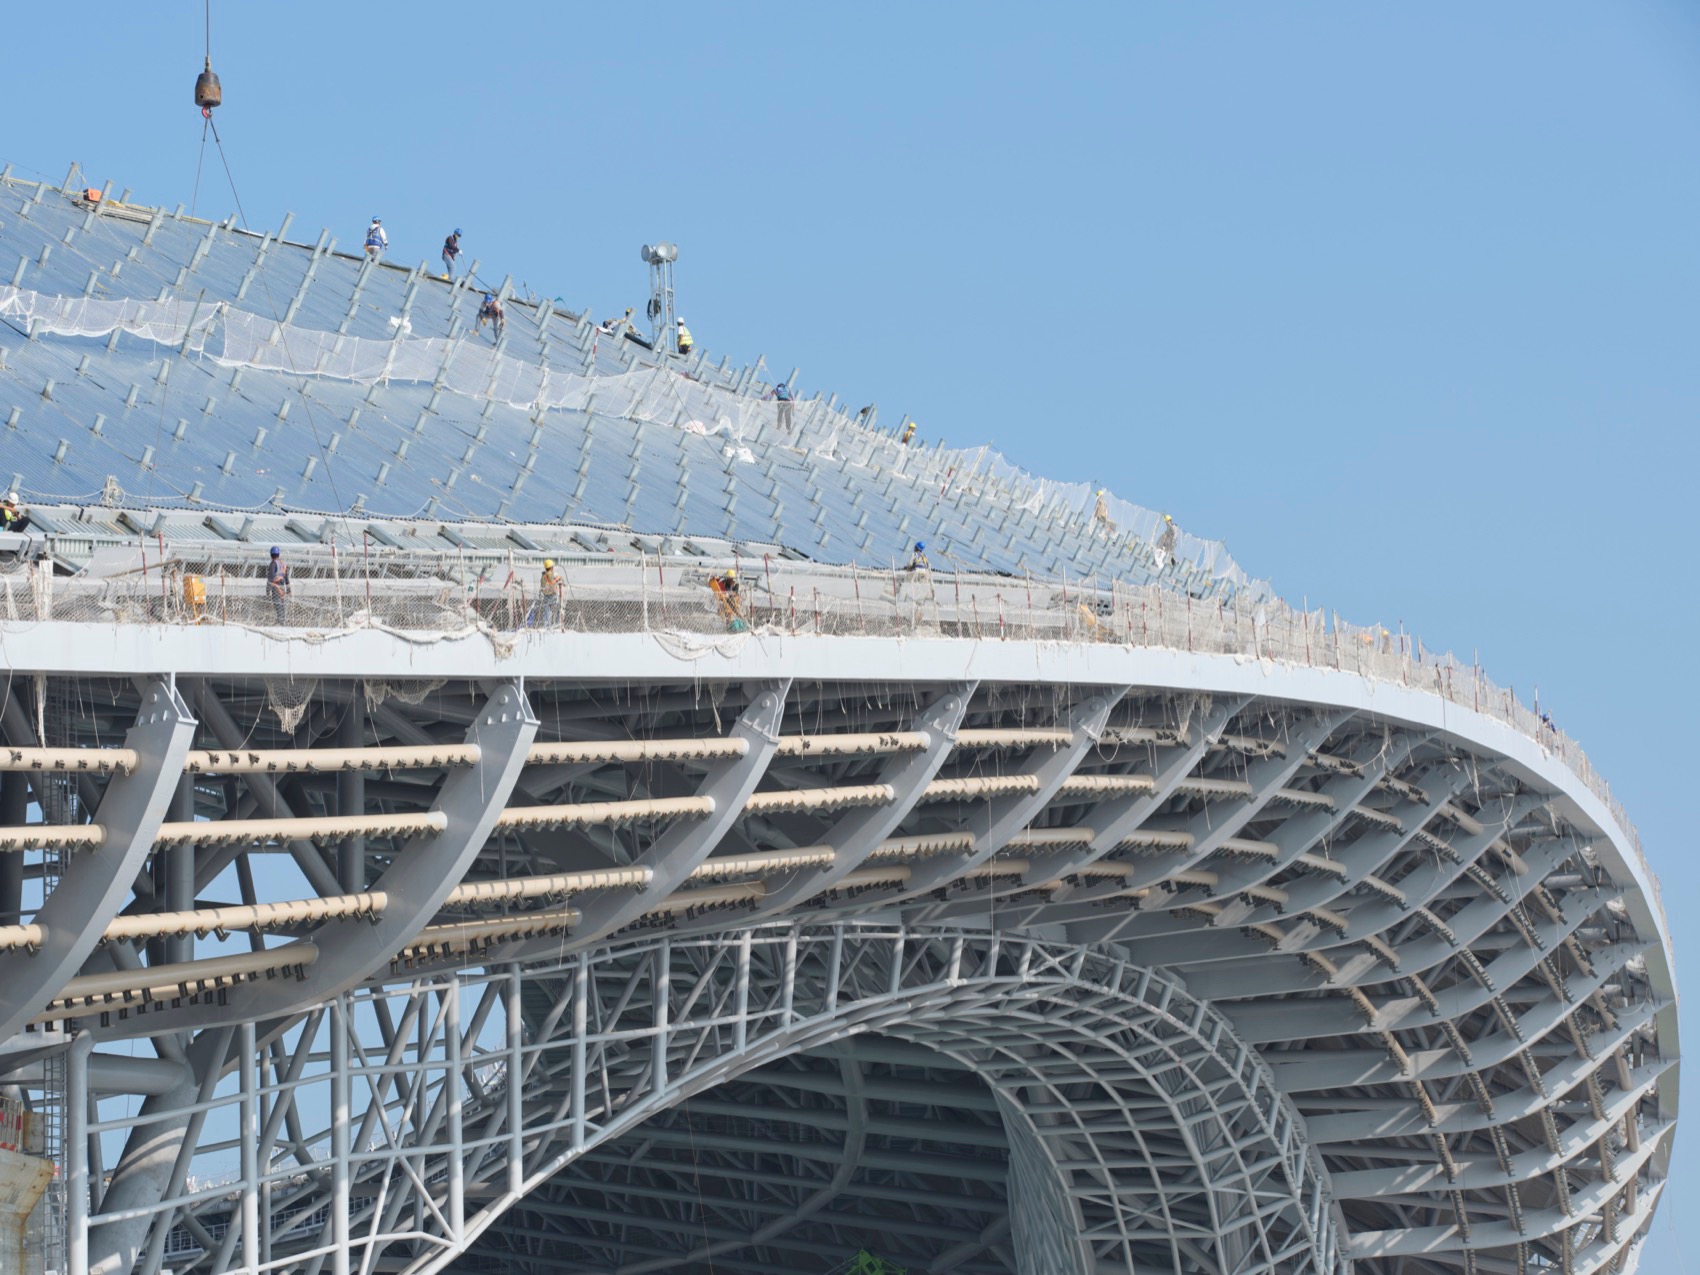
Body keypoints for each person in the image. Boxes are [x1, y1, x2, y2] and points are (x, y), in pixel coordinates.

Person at [266, 546, 290, 623]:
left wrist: (268, 589)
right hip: (282, 586)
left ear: (271, 554)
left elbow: (271, 578)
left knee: (277, 602)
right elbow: (286, 576)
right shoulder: (282, 563)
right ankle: (282, 620)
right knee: (281, 603)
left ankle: (280, 621)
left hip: (276, 586)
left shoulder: (273, 563)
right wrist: (288, 588)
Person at [538, 559, 563, 627]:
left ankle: (546, 626)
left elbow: (542, 585)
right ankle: (558, 625)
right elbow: (561, 580)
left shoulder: (543, 576)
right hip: (553, 596)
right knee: (559, 610)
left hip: (545, 596)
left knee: (547, 613)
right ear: (552, 567)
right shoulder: (554, 574)